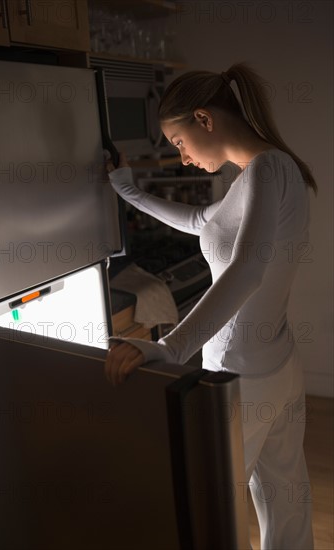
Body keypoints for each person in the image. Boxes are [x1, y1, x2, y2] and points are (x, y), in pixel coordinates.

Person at [105, 62, 316, 549]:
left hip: (240, 379)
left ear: (204, 119)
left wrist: (172, 348)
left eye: (178, 142)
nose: (181, 158)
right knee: (287, 507)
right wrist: (129, 189)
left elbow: (247, 270)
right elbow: (204, 220)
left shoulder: (267, 167)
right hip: (275, 368)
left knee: (202, 510)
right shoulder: (264, 172)